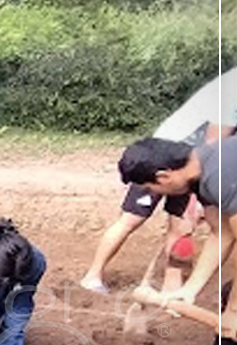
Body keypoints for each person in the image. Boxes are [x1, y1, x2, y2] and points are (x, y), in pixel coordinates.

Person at [79, 68, 236, 294]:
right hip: (167, 163)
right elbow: (214, 146)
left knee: (178, 225)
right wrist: (199, 199)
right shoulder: (231, 93)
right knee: (133, 219)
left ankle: (172, 290)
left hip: (182, 165)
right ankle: (93, 276)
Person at [119, 136, 237, 322]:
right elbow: (222, 233)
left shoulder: (220, 177)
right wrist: (189, 290)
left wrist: (234, 310)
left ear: (163, 177)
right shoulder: (201, 176)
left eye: (151, 188)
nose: (155, 193)